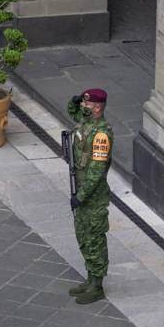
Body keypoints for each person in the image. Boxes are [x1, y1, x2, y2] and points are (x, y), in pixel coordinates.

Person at [66, 88, 113, 304]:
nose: (83, 107)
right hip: (82, 191)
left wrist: (82, 195)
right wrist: (74, 101)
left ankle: (97, 285)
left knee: (94, 239)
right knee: (83, 236)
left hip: (92, 196)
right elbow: (72, 112)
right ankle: (90, 278)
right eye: (83, 104)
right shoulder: (86, 124)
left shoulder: (101, 134)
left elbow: (97, 170)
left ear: (97, 107)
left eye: (87, 104)